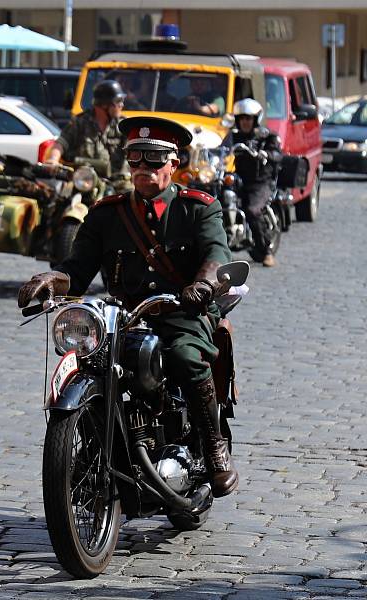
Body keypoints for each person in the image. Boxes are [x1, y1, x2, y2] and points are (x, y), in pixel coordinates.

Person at [18, 116, 238, 498]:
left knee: (186, 357)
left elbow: (217, 254)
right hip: (123, 317)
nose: (143, 169)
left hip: (181, 312)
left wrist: (202, 284)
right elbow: (79, 268)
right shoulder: (108, 213)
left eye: (153, 160)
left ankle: (214, 446)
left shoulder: (198, 208)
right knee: (91, 362)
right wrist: (53, 279)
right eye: (135, 159)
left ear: (174, 162)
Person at [45, 79, 132, 193]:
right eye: (118, 101)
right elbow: (61, 143)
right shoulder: (80, 123)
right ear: (104, 105)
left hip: (118, 183)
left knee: (135, 202)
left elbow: (133, 149)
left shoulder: (123, 125)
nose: (122, 105)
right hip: (85, 182)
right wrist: (53, 160)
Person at [230, 98, 282, 267]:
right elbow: (219, 146)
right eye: (242, 118)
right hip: (237, 180)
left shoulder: (266, 136)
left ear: (255, 119)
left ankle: (266, 251)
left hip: (261, 183)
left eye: (249, 118)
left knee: (252, 211)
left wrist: (266, 154)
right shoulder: (232, 136)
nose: (245, 122)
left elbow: (277, 154)